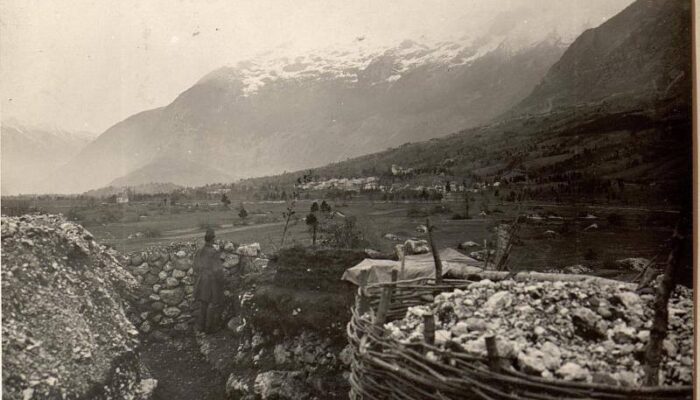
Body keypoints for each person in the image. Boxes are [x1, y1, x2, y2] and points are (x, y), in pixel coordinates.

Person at [193, 228, 224, 333]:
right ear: (213, 239)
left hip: (202, 280)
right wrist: (223, 280)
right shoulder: (213, 252)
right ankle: (209, 328)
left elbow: (195, 267)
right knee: (212, 303)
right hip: (211, 281)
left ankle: (200, 327)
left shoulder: (199, 251)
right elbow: (218, 269)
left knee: (203, 303)